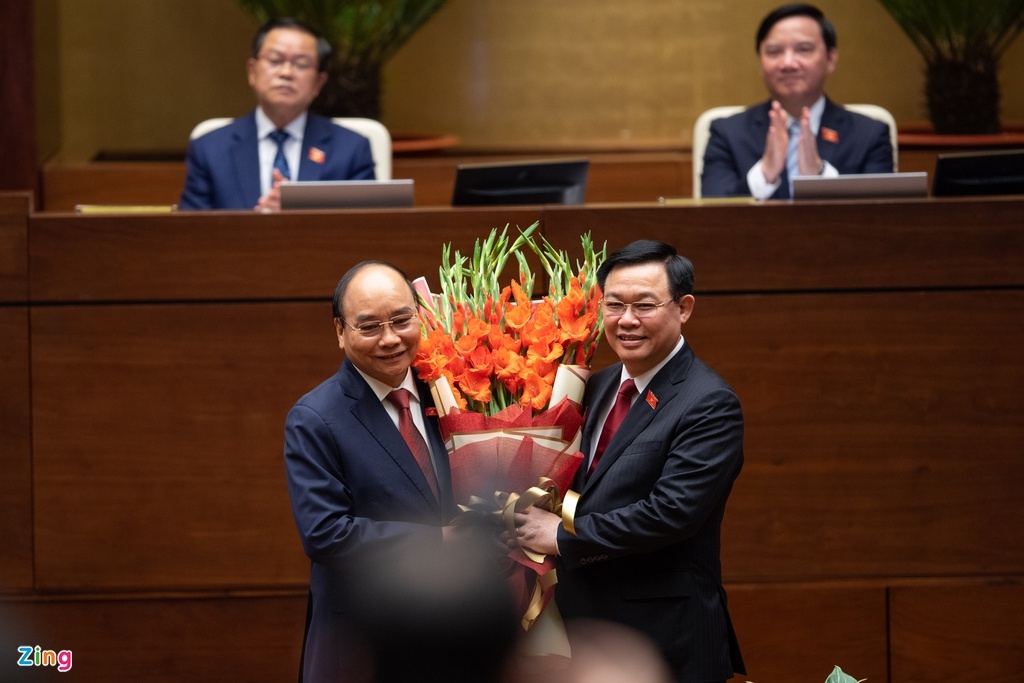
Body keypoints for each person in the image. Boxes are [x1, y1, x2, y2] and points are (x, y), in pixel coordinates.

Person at [512, 240, 746, 683]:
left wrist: (562, 538)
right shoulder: (596, 386)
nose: (627, 320)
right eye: (614, 305)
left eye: (645, 305)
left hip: (665, 636)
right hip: (583, 631)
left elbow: (670, 514)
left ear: (684, 308)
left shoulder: (709, 403)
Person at [284, 261, 459, 683]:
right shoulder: (315, 418)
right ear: (340, 331)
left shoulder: (455, 391)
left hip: (456, 638)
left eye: (402, 320)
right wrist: (439, 541)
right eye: (369, 327)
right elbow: (327, 534)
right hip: (364, 646)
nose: (390, 339)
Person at [180, 18, 375, 211]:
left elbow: (366, 231)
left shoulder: (351, 149)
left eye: (301, 64)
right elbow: (191, 234)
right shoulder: (210, 149)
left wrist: (296, 217)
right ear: (252, 72)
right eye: (275, 60)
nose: (286, 72)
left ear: (319, 83)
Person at [701, 3, 893, 199]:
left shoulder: (869, 134)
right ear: (761, 62)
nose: (788, 63)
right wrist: (764, 173)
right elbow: (710, 214)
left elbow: (881, 218)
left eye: (803, 49)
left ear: (831, 59)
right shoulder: (727, 133)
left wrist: (820, 176)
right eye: (774, 52)